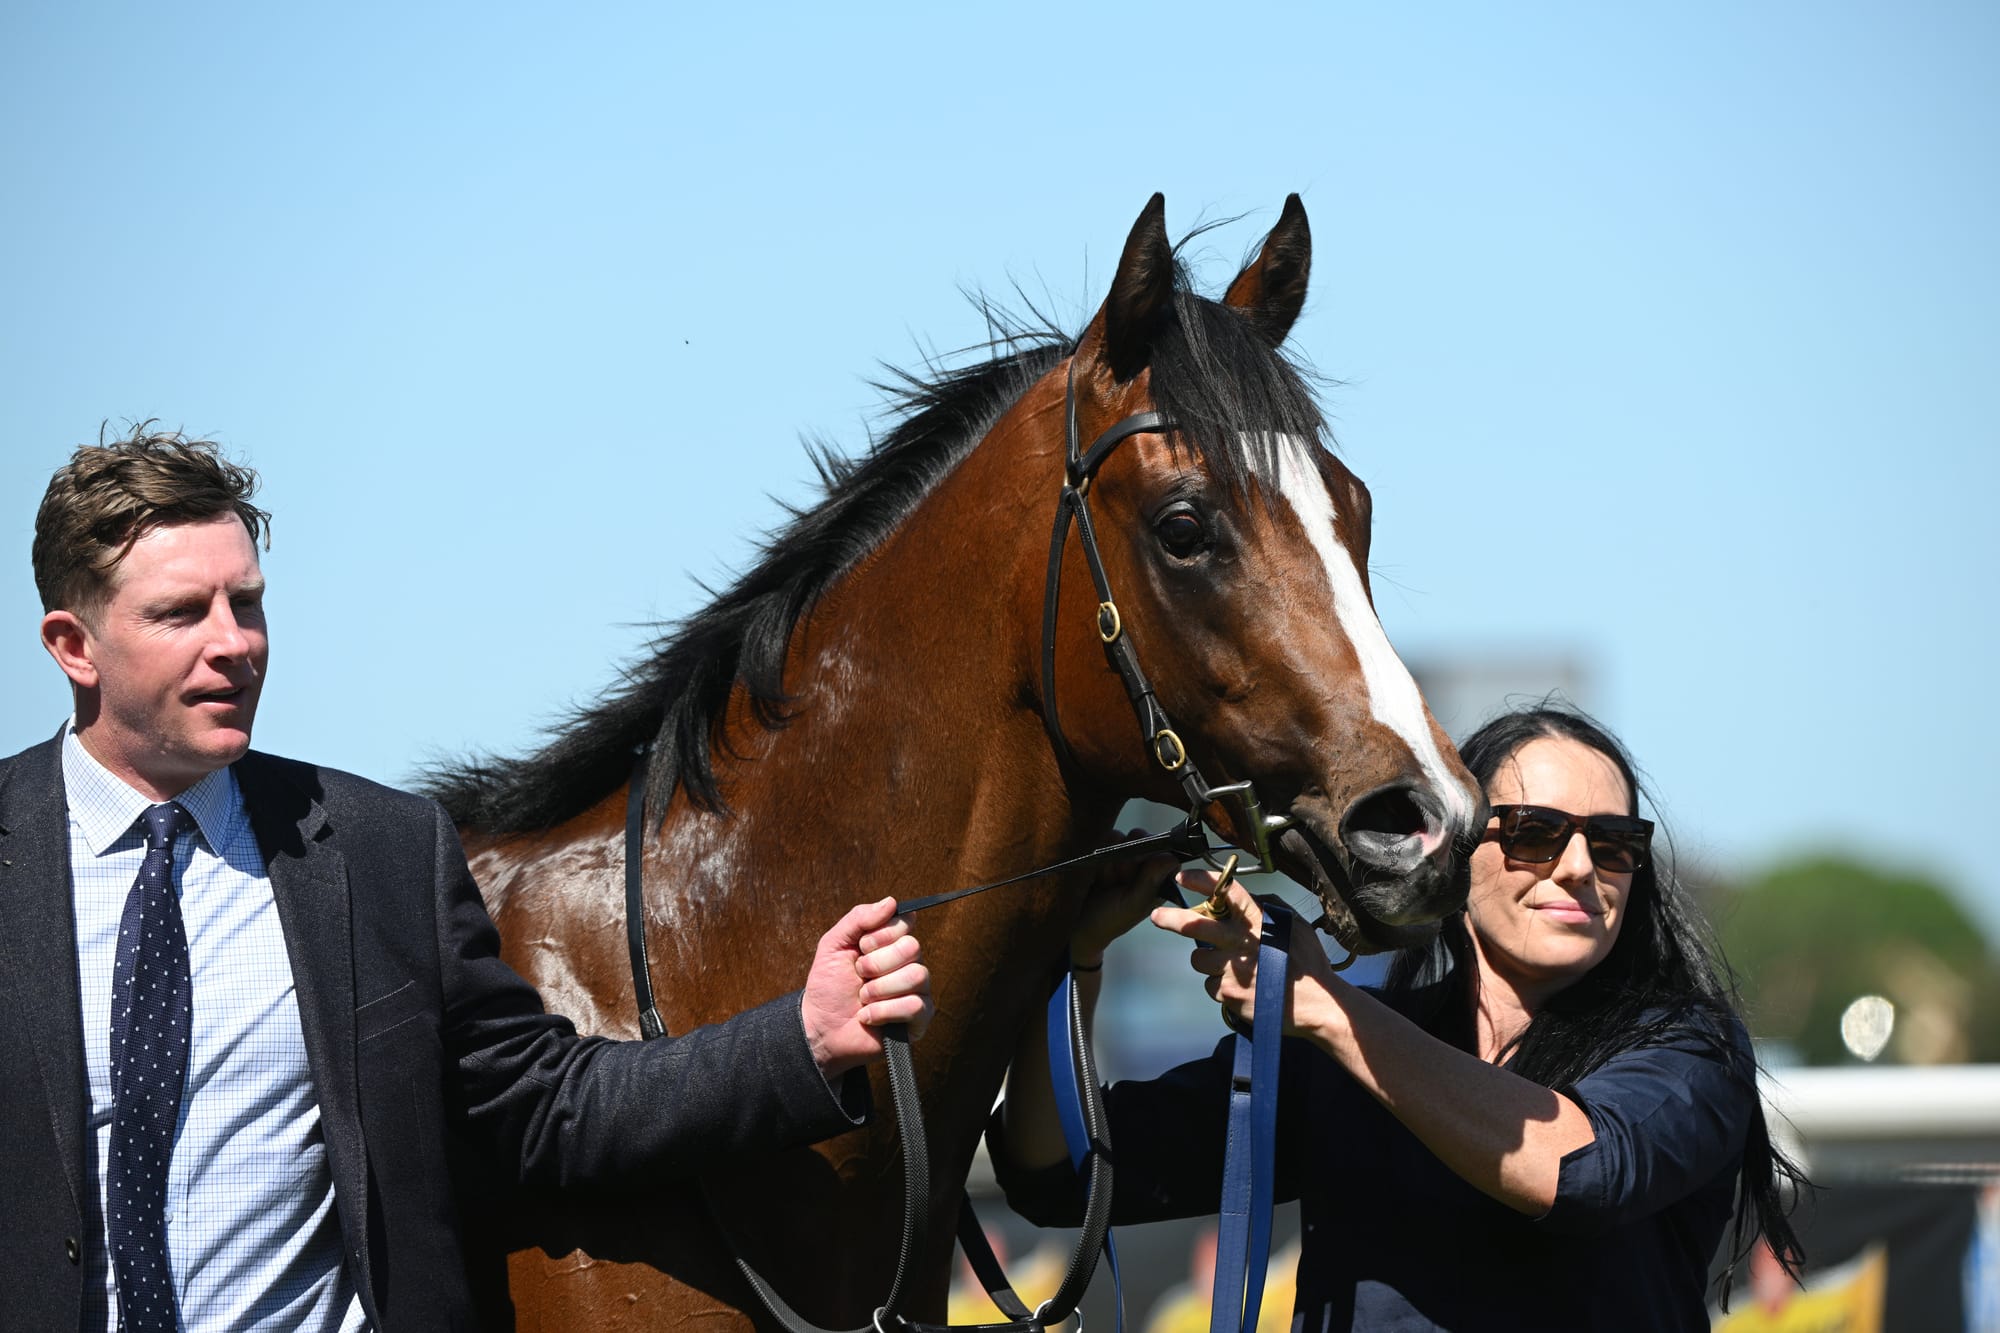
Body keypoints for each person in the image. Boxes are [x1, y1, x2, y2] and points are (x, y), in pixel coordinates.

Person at [0, 428, 934, 1332]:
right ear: (72, 645)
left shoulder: (379, 851)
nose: (235, 643)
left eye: (246, 603)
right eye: (181, 613)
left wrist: (803, 1037)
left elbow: (550, 1105)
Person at [992, 702, 1804, 1330]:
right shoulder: (1338, 1049)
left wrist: (1328, 1009)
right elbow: (1058, 1170)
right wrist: (1076, 956)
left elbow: (1577, 1170)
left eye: (1615, 841)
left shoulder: (1690, 1047)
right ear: (1455, 852)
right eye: (1535, 833)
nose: (1581, 867)